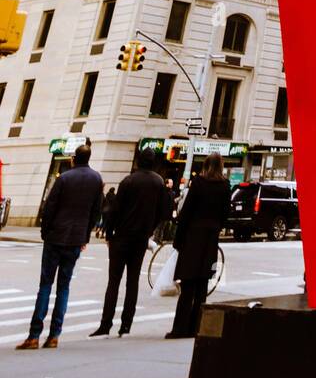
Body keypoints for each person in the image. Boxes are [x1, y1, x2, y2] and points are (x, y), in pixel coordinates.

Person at [16, 145, 102, 350]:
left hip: (56, 237)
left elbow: (50, 207)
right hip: (75, 239)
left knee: (45, 285)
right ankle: (54, 335)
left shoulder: (64, 178)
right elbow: (95, 212)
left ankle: (34, 335)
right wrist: (85, 237)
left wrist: (45, 232)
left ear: (74, 158)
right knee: (64, 287)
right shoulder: (96, 179)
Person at [91, 148, 172, 338]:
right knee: (132, 281)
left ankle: (105, 324)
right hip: (140, 238)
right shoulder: (158, 182)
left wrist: (109, 234)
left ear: (138, 161)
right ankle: (126, 325)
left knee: (114, 281)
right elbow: (164, 211)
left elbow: (114, 210)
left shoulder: (129, 181)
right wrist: (150, 228)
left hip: (122, 236)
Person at [167, 153, 230, 339]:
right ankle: (196, 327)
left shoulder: (199, 183)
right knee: (202, 286)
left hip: (193, 237)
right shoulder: (225, 186)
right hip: (210, 240)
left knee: (187, 286)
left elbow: (186, 213)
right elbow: (225, 214)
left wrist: (178, 241)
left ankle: (180, 328)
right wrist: (216, 226)